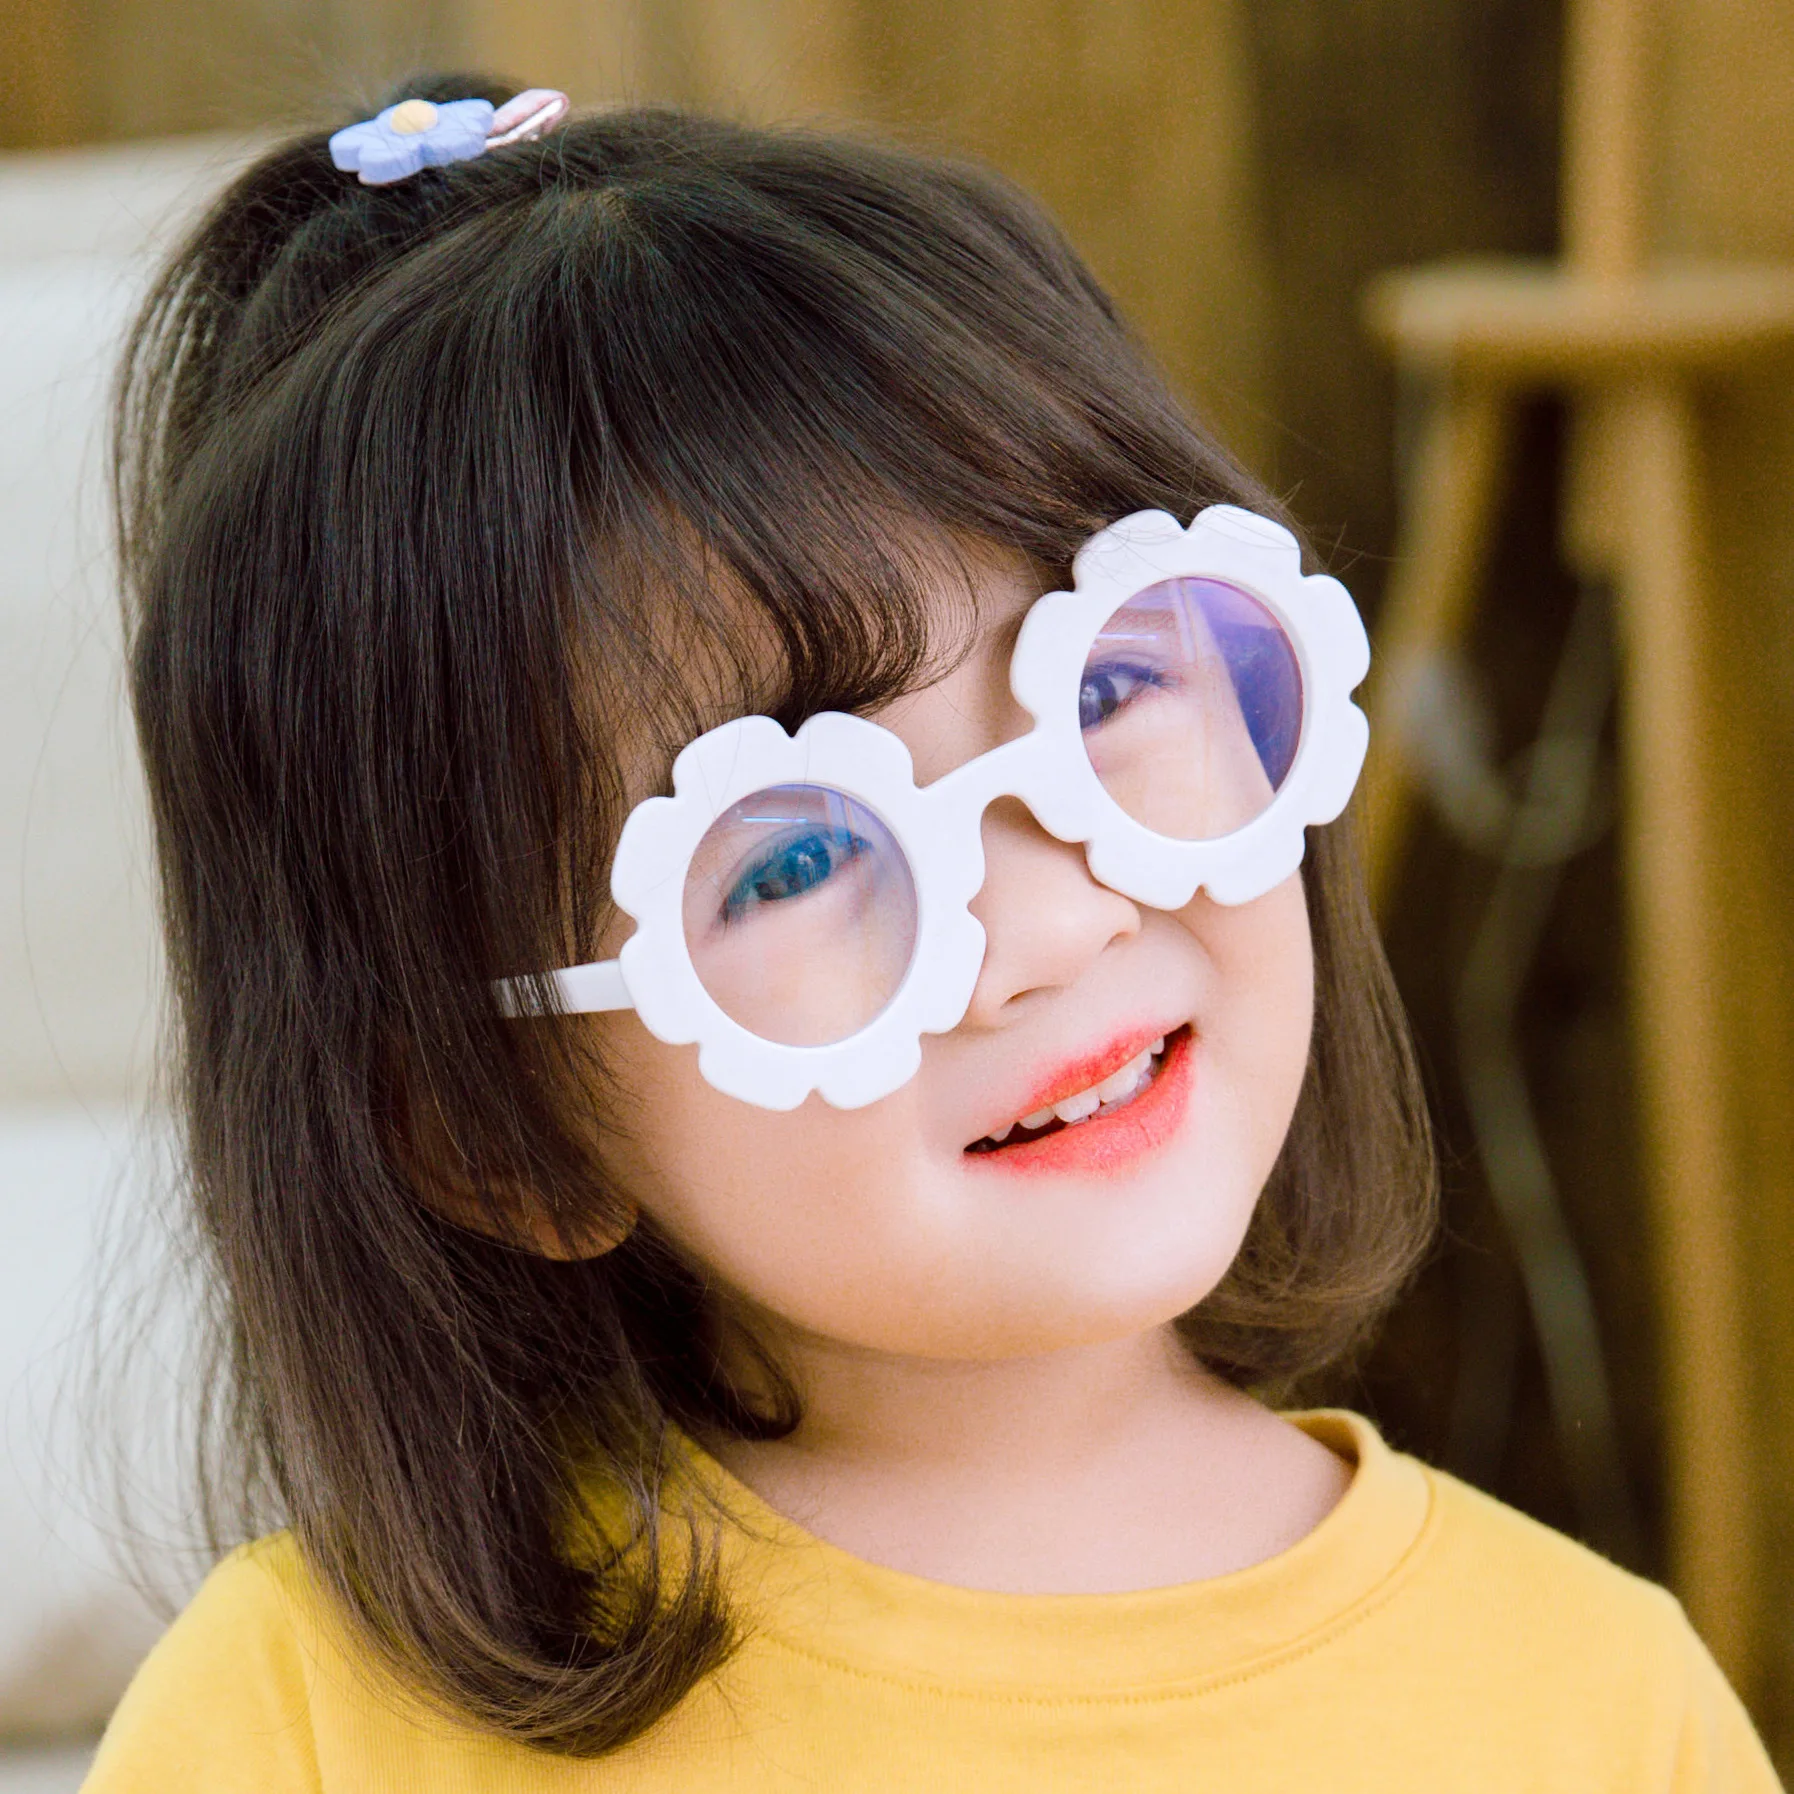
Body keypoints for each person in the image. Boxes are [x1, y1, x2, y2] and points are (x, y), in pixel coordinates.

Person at [85, 75, 1778, 1791]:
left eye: (1104, 686)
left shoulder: (1597, 1706)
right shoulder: (300, 1723)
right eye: (796, 856)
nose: (1050, 920)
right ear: (491, 1129)